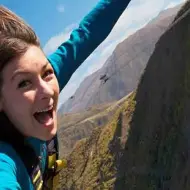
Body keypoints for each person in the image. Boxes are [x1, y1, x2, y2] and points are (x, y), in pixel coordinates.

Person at [0, 0, 131, 189]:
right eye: (24, 83)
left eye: (47, 73)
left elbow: (87, 34)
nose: (47, 91)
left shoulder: (45, 81)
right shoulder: (5, 160)